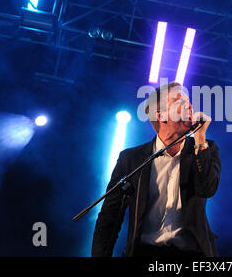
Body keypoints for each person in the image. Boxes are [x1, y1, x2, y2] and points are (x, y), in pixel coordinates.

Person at [91, 82, 221, 257]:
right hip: (144, 251)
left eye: (189, 102)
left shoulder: (205, 148)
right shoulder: (132, 160)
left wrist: (200, 136)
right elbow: (109, 217)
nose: (190, 106)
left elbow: (207, 188)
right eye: (180, 103)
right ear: (162, 116)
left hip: (191, 254)